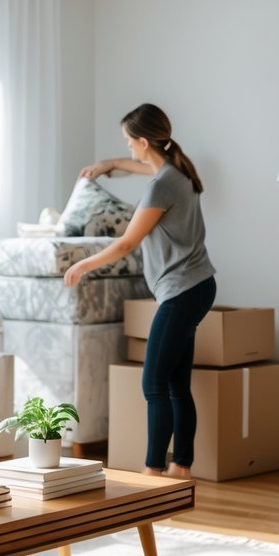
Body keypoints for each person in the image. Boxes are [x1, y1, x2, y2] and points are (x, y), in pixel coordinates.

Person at [63, 103, 216, 479]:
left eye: (129, 142)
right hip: (198, 286)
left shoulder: (160, 187)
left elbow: (127, 243)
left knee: (153, 383)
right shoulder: (177, 169)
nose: (128, 148)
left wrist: (83, 264)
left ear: (144, 142)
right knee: (176, 384)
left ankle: (153, 470)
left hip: (181, 291)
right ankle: (181, 466)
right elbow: (141, 165)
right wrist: (108, 164)